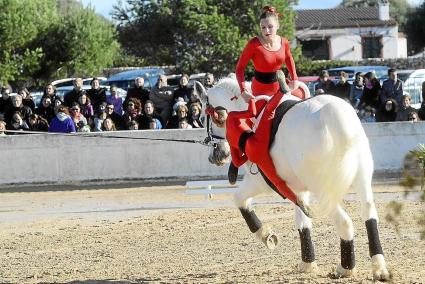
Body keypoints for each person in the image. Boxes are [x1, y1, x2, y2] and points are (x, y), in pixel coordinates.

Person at [206, 89, 310, 216]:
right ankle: (281, 92)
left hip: (253, 154)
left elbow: (237, 162)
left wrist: (247, 155)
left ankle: (297, 202)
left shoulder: (228, 138)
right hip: (258, 140)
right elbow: (252, 112)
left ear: (218, 123)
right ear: (226, 113)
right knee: (268, 111)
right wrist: (251, 100)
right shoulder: (232, 115)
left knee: (277, 182)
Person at [235, 6, 300, 107]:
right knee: (262, 121)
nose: (267, 31)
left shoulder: (284, 42)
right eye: (263, 27)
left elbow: (288, 58)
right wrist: (243, 90)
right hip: (260, 91)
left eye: (270, 26)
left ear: (277, 26)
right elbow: (240, 68)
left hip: (281, 87)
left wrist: (294, 78)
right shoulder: (253, 44)